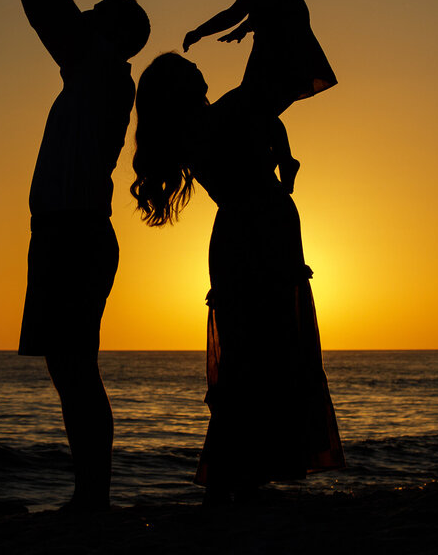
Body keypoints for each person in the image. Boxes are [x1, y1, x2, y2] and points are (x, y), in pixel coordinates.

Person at [130, 52, 344, 503]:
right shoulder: (215, 119)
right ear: (179, 91)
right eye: (188, 74)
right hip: (255, 234)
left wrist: (283, 151)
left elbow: (264, 109)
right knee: (261, 348)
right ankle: (241, 473)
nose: (197, 69)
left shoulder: (204, 125)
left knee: (255, 350)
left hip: (250, 233)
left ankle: (244, 472)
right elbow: (266, 89)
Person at [12, 0, 150, 512]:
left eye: (101, 12)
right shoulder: (90, 76)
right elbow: (57, 15)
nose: (88, 15)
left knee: (76, 370)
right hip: (60, 233)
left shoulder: (105, 74)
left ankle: (92, 495)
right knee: (69, 371)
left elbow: (53, 13)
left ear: (115, 35)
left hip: (75, 234)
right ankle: (89, 492)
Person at [182, 0, 335, 193]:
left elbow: (232, 14)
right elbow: (264, 16)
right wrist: (244, 29)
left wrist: (199, 32)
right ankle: (282, 159)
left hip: (276, 66)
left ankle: (282, 161)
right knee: (260, 114)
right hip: (286, 66)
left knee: (255, 110)